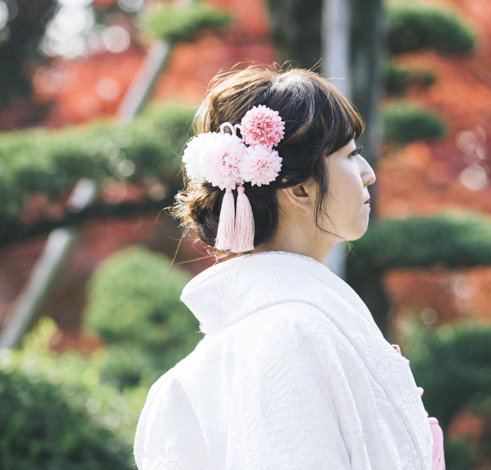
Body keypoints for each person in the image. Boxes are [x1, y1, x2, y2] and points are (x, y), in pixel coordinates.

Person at [133, 65, 444, 469]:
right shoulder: (293, 334)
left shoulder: (207, 367)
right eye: (351, 155)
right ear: (299, 189)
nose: (368, 174)